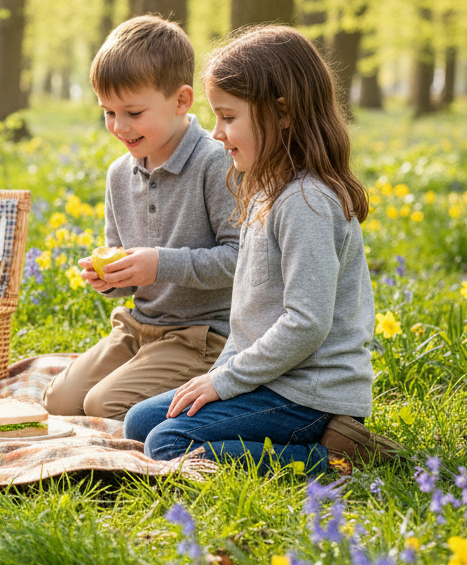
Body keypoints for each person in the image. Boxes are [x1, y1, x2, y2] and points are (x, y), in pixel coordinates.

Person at [123, 25, 398, 471]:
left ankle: (330, 457)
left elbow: (306, 323)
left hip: (308, 395)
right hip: (269, 380)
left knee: (168, 444)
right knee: (139, 422)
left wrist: (225, 382)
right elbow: (251, 319)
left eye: (228, 118)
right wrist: (218, 379)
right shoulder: (265, 191)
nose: (216, 134)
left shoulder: (307, 203)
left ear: (283, 113)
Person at [42, 15, 238, 421]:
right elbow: (127, 269)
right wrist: (110, 279)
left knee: (101, 404)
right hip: (138, 328)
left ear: (182, 101)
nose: (119, 126)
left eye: (132, 112)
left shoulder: (215, 163)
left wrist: (159, 263)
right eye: (108, 112)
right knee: (59, 401)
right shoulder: (119, 173)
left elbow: (242, 261)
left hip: (201, 336)